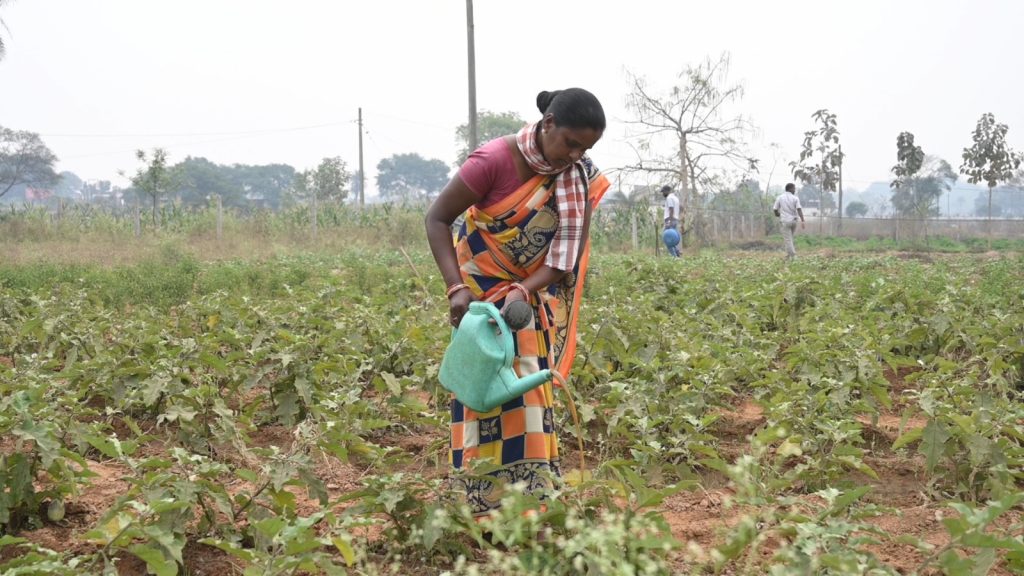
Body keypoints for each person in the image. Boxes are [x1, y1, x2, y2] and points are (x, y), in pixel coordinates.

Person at [425, 88, 609, 516]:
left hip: (525, 300)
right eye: (571, 143)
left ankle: (530, 506)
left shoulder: (577, 175)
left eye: (586, 148)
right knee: (481, 397)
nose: (576, 155)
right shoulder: (492, 161)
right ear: (547, 125)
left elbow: (564, 260)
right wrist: (456, 288)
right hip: (480, 306)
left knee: (527, 404)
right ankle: (481, 508)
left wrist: (525, 287)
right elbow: (436, 218)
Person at [773, 183, 806, 259]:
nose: (794, 190)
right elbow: (799, 209)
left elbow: (775, 209)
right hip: (794, 221)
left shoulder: (780, 197)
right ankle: (788, 256)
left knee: (788, 239)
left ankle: (794, 256)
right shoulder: (795, 198)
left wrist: (777, 214)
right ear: (790, 189)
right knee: (789, 239)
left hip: (785, 221)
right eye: (794, 188)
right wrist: (803, 220)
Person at [661, 185, 681, 257]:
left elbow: (671, 209)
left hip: (670, 220)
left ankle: (674, 257)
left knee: (667, 239)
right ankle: (677, 253)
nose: (663, 194)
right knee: (673, 239)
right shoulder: (675, 198)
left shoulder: (669, 198)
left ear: (667, 191)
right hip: (675, 219)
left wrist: (669, 221)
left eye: (663, 192)